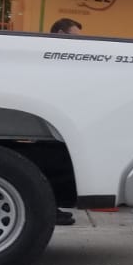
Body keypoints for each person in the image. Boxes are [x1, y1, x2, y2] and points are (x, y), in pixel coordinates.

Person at [48, 19, 83, 224]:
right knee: (53, 164)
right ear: (61, 34)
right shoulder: (49, 56)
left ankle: (53, 207)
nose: (78, 42)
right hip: (49, 122)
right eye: (74, 37)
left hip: (58, 120)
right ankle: (50, 208)